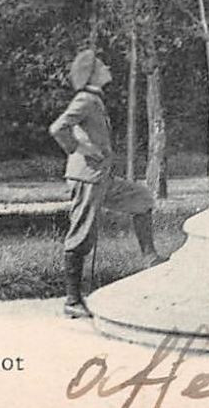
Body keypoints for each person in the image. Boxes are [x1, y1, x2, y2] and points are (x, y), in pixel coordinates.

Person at [48, 48, 165, 320]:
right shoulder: (85, 99)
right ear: (92, 73)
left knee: (142, 198)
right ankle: (72, 301)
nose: (107, 66)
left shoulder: (95, 100)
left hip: (102, 177)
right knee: (82, 234)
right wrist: (80, 149)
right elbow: (58, 128)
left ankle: (149, 258)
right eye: (101, 64)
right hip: (86, 176)